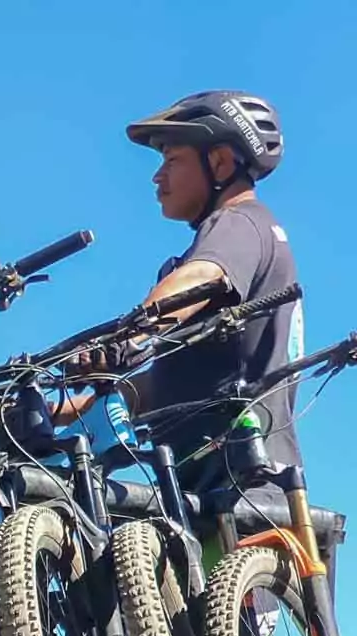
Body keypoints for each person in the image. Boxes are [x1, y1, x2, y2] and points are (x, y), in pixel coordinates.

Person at [60, 92, 302, 514]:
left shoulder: (240, 223)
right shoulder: (241, 231)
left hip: (242, 495)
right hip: (211, 489)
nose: (157, 177)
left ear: (221, 163)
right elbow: (167, 383)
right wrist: (66, 409)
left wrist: (124, 340)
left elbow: (200, 278)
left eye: (172, 160)